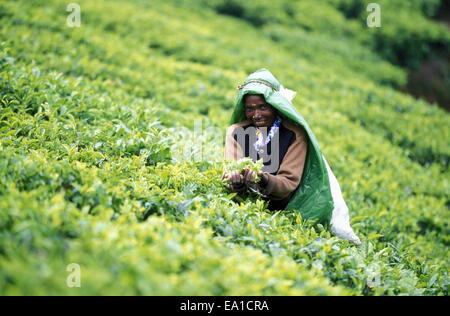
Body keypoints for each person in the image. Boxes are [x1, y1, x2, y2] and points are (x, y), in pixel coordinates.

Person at [222, 68, 361, 244]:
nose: (256, 115)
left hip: (283, 211)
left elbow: (288, 183)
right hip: (243, 208)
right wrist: (234, 180)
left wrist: (262, 178)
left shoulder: (294, 135)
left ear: (275, 105)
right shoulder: (236, 131)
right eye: (250, 109)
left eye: (263, 107)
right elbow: (229, 170)